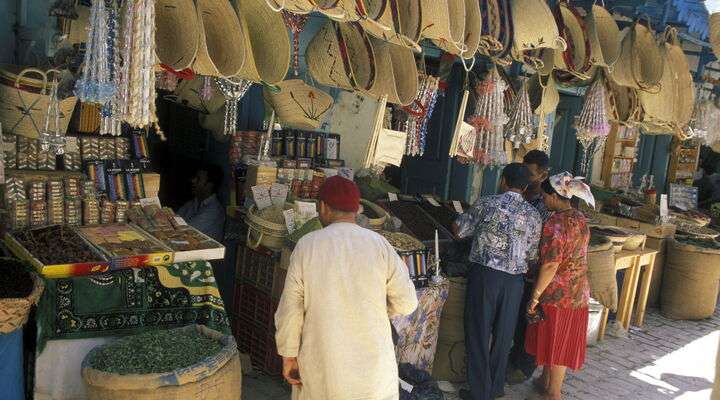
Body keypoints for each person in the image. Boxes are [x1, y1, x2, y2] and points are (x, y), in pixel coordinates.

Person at [274, 175, 418, 400]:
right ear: (357, 209)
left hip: (325, 369)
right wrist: (379, 308)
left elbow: (290, 310)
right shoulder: (380, 245)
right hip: (374, 374)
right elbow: (408, 303)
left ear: (322, 207)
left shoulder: (307, 246)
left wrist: (288, 355)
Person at [454, 163, 543, 400]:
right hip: (515, 282)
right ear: (525, 187)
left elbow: (460, 231)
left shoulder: (487, 203)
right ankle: (494, 388)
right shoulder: (534, 215)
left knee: (479, 330)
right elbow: (533, 255)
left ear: (503, 181)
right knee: (504, 335)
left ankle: (478, 391)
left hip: (485, 276)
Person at [525, 172, 596, 400]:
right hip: (578, 289)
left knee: (556, 341)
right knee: (558, 339)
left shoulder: (555, 223)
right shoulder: (580, 218)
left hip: (558, 293)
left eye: (546, 196)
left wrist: (535, 296)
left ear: (555, 196)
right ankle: (545, 382)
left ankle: (553, 393)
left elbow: (550, 265)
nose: (544, 200)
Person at [507, 150, 553, 384]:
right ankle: (511, 358)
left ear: (543, 175)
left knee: (528, 320)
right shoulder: (518, 194)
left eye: (531, 173)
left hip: (533, 271)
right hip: (513, 269)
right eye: (523, 170)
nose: (525, 176)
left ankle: (523, 366)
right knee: (514, 319)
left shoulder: (545, 205)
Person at [177, 164, 225, 242]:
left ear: (209, 185)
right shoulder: (193, 203)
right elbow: (173, 219)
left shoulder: (214, 211)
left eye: (198, 179)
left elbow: (184, 232)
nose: (193, 181)